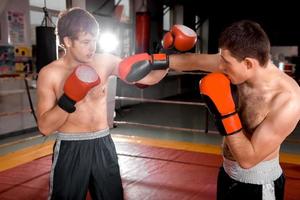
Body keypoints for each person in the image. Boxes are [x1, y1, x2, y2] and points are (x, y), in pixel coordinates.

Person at [147, 20, 300, 199]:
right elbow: (193, 60)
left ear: (249, 64)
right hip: (227, 174)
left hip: (259, 186)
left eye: (226, 63)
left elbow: (247, 159)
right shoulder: (235, 64)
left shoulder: (288, 100)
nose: (221, 67)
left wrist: (225, 113)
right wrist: (157, 61)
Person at [36, 7, 172, 200]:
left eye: (95, 40)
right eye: (86, 42)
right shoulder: (50, 74)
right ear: (67, 41)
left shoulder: (105, 62)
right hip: (71, 147)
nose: (93, 47)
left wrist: (164, 56)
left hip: (103, 144)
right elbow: (44, 127)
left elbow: (147, 78)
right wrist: (69, 99)